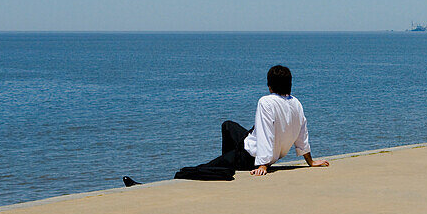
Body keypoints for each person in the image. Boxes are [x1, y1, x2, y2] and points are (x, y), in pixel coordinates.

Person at [123, 65, 328, 186]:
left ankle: (221, 168)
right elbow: (302, 134)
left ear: (270, 85)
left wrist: (263, 164)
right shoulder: (296, 103)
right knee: (228, 126)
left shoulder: (265, 101)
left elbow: (266, 134)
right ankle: (226, 164)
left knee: (197, 169)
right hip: (252, 142)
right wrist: (309, 160)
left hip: (250, 155)